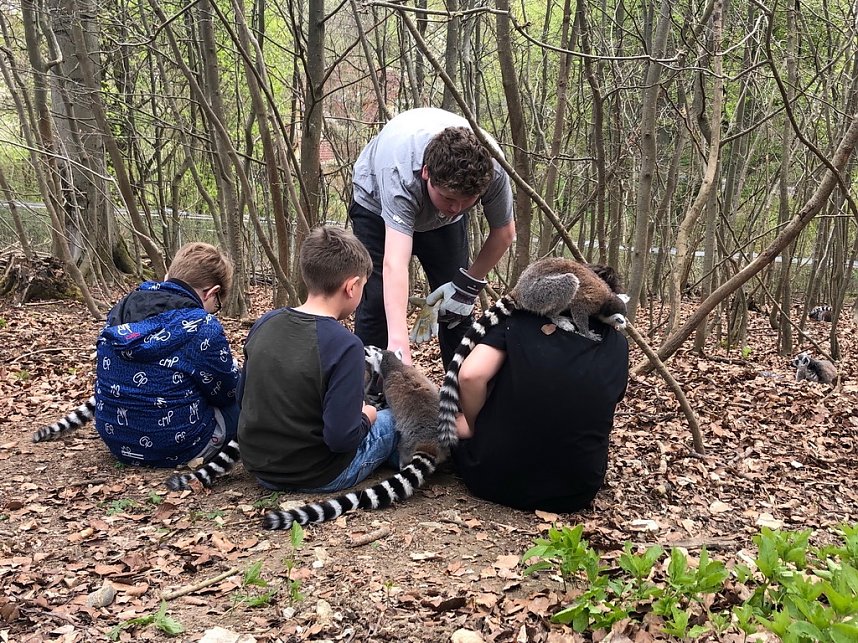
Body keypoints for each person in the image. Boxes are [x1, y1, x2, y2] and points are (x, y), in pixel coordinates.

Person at [350, 107, 516, 368]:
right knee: (377, 305)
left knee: (456, 309)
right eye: (449, 198)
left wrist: (466, 287)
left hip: (440, 226)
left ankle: (460, 393)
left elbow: (504, 233)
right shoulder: (399, 175)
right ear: (427, 172)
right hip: (375, 206)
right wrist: (399, 344)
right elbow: (395, 262)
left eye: (467, 201)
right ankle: (369, 393)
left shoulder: (493, 168)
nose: (456, 208)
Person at [237, 226, 399, 492]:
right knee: (393, 418)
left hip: (259, 466)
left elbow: (242, 396)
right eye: (362, 288)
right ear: (352, 286)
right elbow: (341, 440)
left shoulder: (265, 323)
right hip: (319, 473)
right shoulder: (345, 345)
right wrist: (367, 416)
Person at [451, 310, 629, 512]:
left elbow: (470, 375)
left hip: (488, 478)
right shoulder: (617, 343)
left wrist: (473, 425)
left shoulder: (516, 320)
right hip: (575, 492)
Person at [95, 242, 240, 467]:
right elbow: (227, 393)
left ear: (167, 277)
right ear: (212, 293)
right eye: (216, 304)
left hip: (116, 440)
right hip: (179, 446)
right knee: (246, 402)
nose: (214, 309)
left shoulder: (122, 307)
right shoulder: (202, 326)